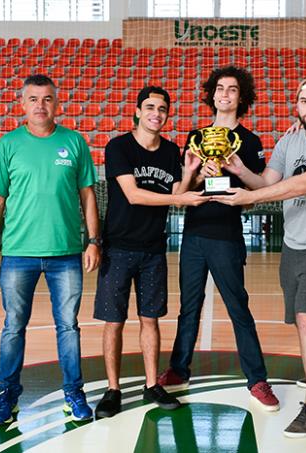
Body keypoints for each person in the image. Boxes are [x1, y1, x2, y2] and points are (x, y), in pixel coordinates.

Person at [214, 76, 306, 438]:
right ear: (296, 105)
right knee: (303, 317)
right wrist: (240, 172)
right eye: (304, 101)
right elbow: (267, 181)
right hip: (294, 242)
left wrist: (248, 199)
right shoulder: (288, 139)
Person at [156, 66, 280, 412]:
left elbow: (263, 189)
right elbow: (181, 193)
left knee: (239, 309)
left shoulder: (250, 141)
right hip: (194, 234)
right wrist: (196, 172)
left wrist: (239, 171)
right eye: (220, 89)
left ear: (242, 98)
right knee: (188, 309)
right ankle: (179, 370)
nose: (225, 95)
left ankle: (256, 379)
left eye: (233, 90)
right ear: (211, 94)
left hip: (227, 236)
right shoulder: (195, 138)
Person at [0, 74, 100, 424]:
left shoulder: (74, 142)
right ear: (23, 104)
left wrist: (93, 240)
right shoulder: (8, 144)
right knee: (13, 327)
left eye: (47, 98)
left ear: (57, 103)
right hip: (19, 253)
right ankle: (7, 395)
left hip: (66, 254)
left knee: (68, 326)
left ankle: (73, 393)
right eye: (33, 99)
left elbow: (88, 196)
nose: (40, 105)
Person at [93, 86, 209, 418]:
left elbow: (177, 192)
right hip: (118, 248)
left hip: (153, 249)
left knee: (150, 320)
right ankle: (113, 389)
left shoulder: (172, 151)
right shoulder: (119, 146)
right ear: (138, 111)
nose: (156, 113)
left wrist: (189, 174)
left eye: (162, 108)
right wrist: (179, 198)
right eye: (150, 107)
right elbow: (133, 194)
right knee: (113, 322)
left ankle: (150, 384)